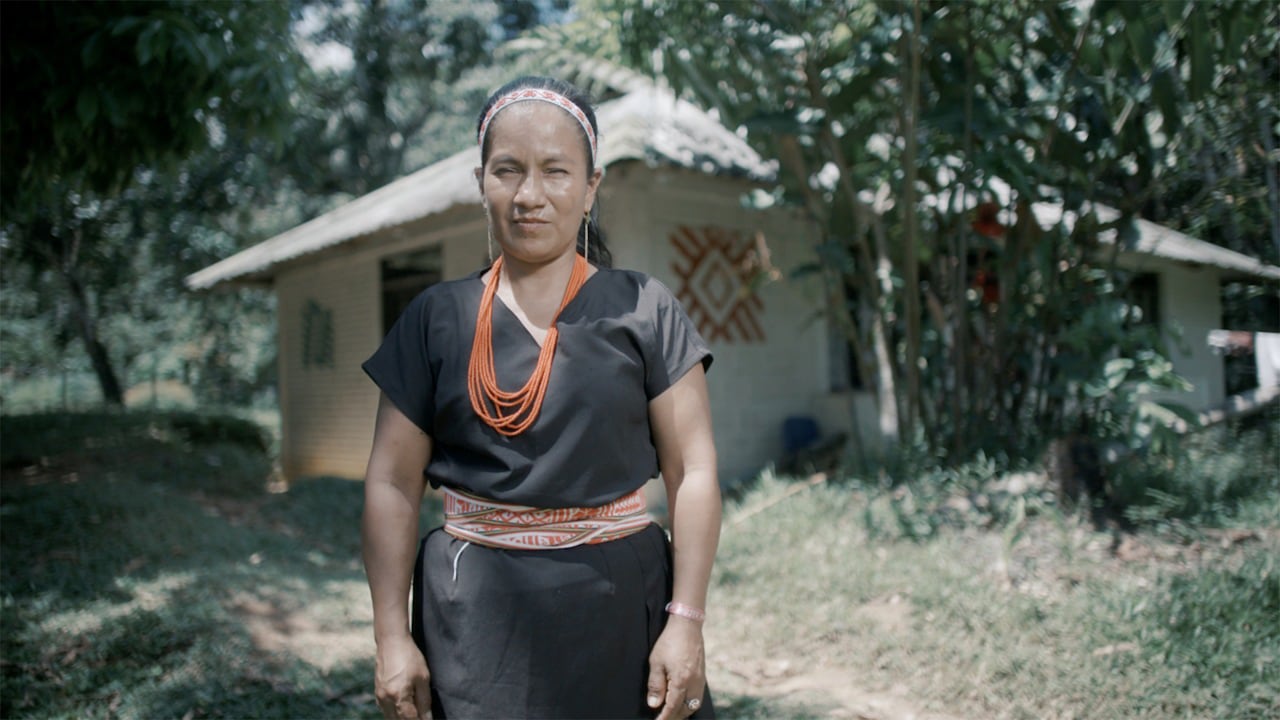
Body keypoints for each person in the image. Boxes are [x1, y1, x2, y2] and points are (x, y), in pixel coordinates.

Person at [360, 75, 722, 720]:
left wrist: (686, 621)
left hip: (621, 615)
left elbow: (693, 470)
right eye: (508, 171)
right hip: (473, 622)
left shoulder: (644, 308)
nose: (530, 195)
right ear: (480, 184)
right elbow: (391, 481)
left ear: (590, 189)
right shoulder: (434, 318)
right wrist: (391, 634)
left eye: (556, 172)